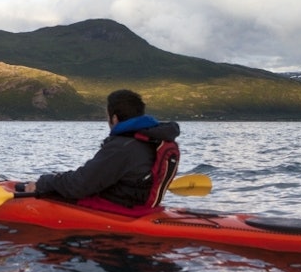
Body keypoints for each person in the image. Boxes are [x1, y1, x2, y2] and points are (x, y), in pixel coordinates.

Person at [16, 89, 180, 212]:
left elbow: (79, 186)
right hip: (138, 204)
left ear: (114, 118)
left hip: (120, 209)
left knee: (50, 192)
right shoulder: (154, 139)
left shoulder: (123, 146)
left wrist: (44, 182)